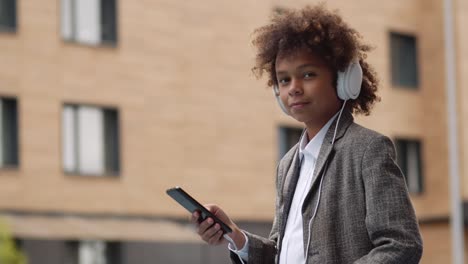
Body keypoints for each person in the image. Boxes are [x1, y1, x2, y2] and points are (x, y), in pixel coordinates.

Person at [191, 4, 423, 264]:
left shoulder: (368, 149)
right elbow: (281, 252)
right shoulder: (287, 165)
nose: (294, 89)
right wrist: (236, 237)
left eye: (308, 74)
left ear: (344, 79)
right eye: (284, 80)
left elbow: (402, 245)